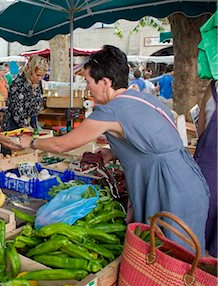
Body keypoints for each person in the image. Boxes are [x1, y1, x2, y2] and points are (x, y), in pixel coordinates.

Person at [20, 45, 209, 253]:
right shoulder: (143, 98)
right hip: (190, 184)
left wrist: (31, 142)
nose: (87, 88)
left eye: (89, 81)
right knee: (186, 260)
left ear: (105, 83)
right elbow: (151, 141)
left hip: (168, 190)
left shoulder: (111, 110)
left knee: (167, 263)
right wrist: (114, 152)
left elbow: (63, 144)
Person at [194, 80, 217, 257]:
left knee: (198, 238)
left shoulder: (213, 87)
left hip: (207, 173)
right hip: (209, 171)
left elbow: (200, 132)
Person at [1, 55, 48, 131]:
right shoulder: (18, 84)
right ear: (30, 71)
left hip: (31, 125)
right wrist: (27, 126)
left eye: (42, 76)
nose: (39, 79)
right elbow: (17, 111)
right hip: (15, 127)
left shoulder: (38, 84)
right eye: (38, 75)